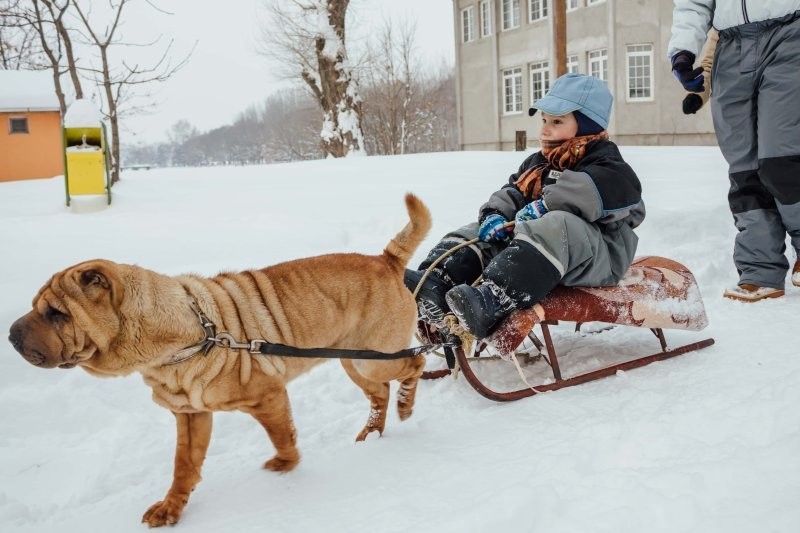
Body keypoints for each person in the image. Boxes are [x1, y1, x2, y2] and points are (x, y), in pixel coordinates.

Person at [405, 73, 645, 339]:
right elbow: (513, 192)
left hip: (599, 257)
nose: (544, 129)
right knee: (476, 233)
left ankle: (493, 300)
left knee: (557, 225)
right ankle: (435, 284)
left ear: (587, 126)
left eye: (557, 121)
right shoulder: (539, 164)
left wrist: (547, 204)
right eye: (544, 120)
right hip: (540, 252)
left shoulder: (608, 165)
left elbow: (608, 192)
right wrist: (495, 215)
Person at [669, 1, 800, 302]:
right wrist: (684, 49)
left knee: (782, 156)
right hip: (730, 46)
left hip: (789, 32)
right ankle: (760, 269)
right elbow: (694, 3)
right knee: (744, 167)